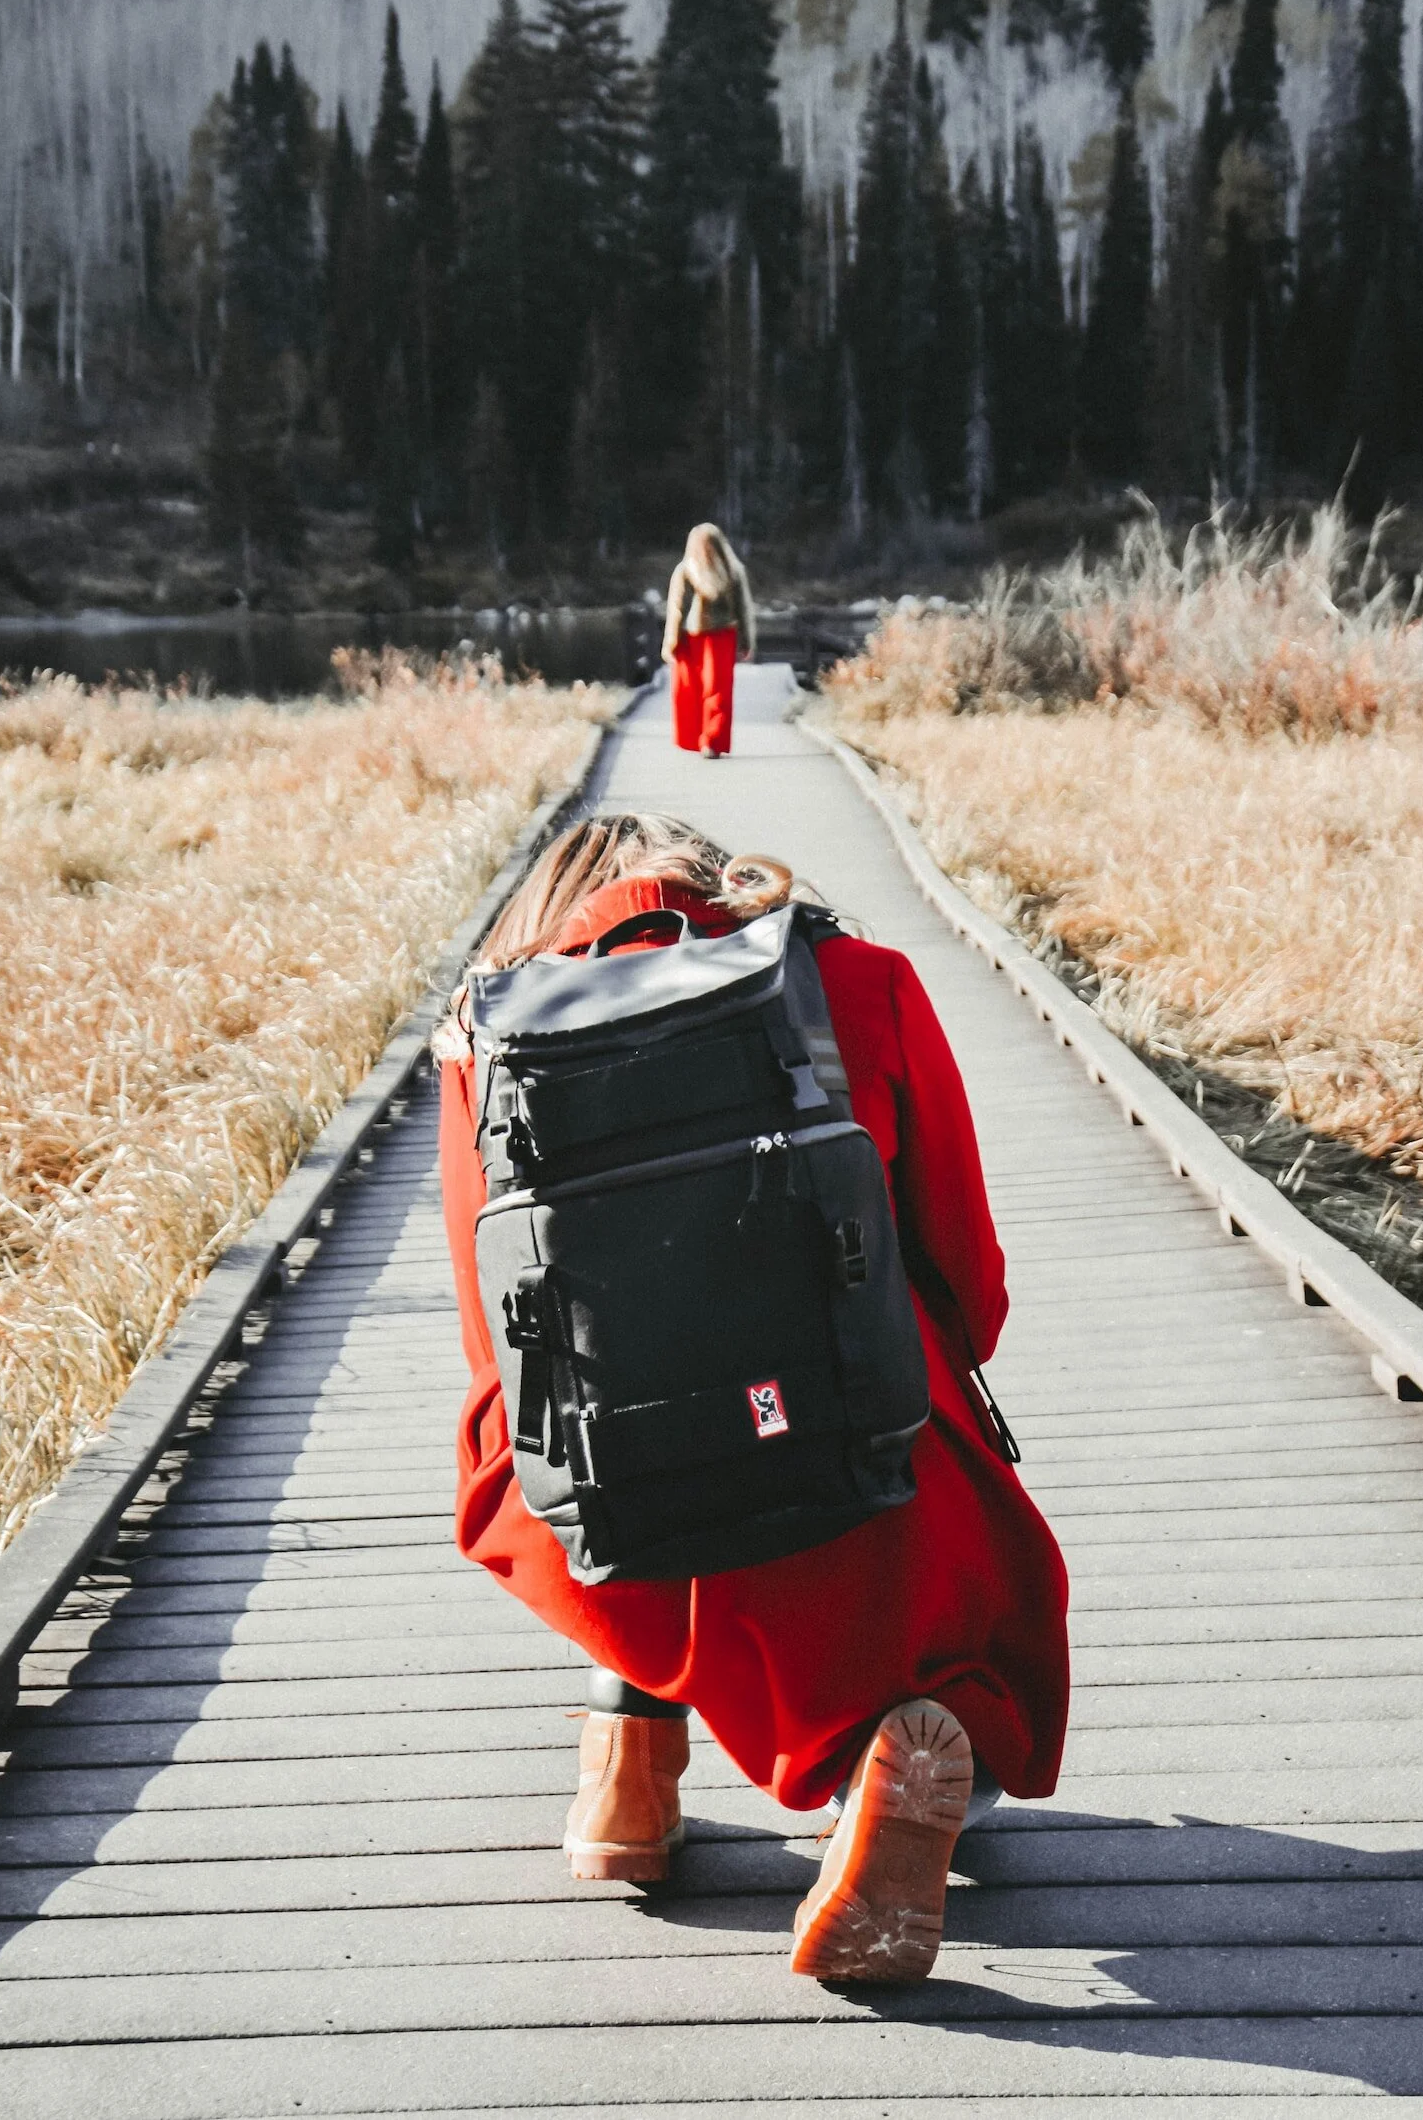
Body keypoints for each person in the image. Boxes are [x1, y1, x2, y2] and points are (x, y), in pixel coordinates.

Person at [436, 813, 1069, 1985]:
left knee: (552, 1467)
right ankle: (881, 1761)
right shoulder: (856, 981)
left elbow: (495, 1349)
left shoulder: (488, 1030)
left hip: (615, 1502)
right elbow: (962, 1271)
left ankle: (623, 1781)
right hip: (851, 1453)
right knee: (966, 1679)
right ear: (720, 884)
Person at [662, 522, 756, 757]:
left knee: (705, 689)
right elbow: (677, 607)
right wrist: (746, 641)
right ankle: (706, 740)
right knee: (706, 690)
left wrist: (671, 642)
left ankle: (707, 739)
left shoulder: (725, 571)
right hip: (708, 637)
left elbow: (677, 608)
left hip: (707, 637)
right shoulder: (723, 571)